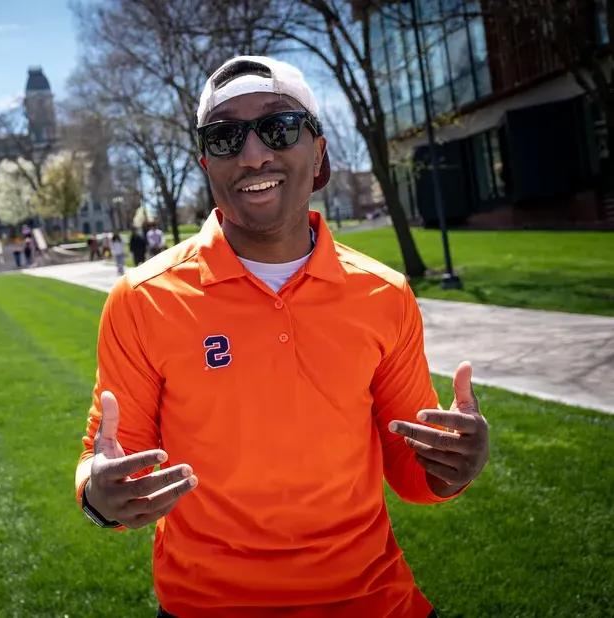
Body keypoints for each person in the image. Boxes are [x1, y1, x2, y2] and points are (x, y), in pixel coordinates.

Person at [74, 56, 490, 618]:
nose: (252, 154)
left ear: (318, 151)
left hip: (374, 601)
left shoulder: (384, 294)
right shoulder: (143, 299)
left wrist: (455, 462)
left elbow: (415, 473)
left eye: (279, 127)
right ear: (206, 163)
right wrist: (100, 496)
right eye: (224, 137)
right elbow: (111, 460)